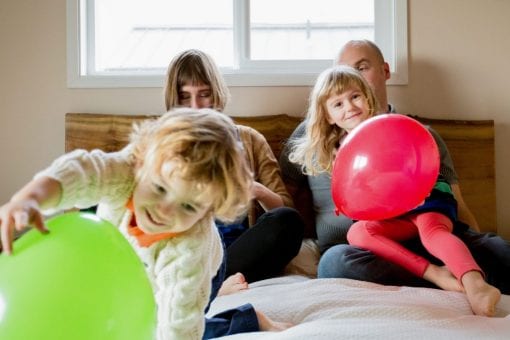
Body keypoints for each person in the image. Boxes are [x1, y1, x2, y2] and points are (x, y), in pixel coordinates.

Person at [0, 108, 292, 339]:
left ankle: (246, 320)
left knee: (157, 325)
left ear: (208, 212)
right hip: (121, 253)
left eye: (188, 206)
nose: (164, 210)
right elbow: (82, 170)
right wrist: (30, 197)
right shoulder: (126, 169)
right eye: (160, 188)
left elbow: (179, 327)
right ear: (142, 164)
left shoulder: (188, 248)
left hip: (200, 271)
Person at [279, 39, 510, 295]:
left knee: (498, 249)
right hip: (366, 249)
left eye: (361, 68)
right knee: (334, 262)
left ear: (384, 71)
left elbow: (456, 204)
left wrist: (465, 244)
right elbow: (288, 202)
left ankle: (460, 273)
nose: (349, 103)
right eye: (338, 101)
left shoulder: (418, 135)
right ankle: (440, 277)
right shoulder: (309, 139)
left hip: (427, 234)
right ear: (326, 112)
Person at [164, 49, 304, 294]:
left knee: (288, 222)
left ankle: (213, 285)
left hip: (242, 253)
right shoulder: (164, 148)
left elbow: (286, 209)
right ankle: (214, 285)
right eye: (185, 97)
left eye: (204, 95)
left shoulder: (250, 140)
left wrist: (255, 190)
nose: (196, 107)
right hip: (194, 256)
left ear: (216, 94)